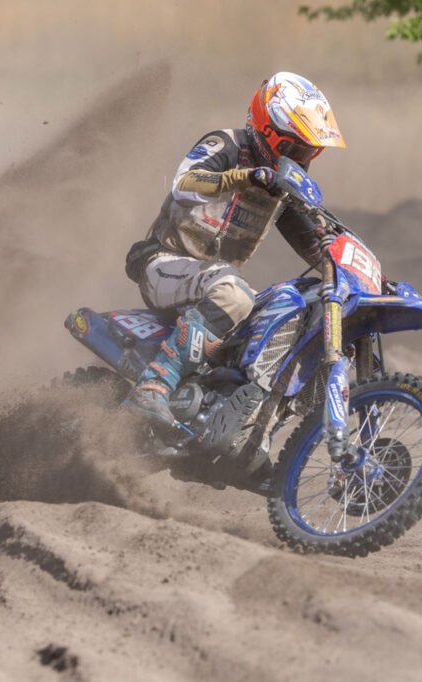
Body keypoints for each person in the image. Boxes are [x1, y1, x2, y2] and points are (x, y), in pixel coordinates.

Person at [122, 71, 345, 430]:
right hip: (162, 263)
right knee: (234, 292)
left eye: (310, 151)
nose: (302, 159)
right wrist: (244, 176)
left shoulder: (280, 188)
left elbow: (311, 238)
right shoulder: (226, 145)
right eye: (296, 148)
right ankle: (153, 386)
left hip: (209, 281)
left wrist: (350, 266)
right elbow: (184, 184)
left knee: (281, 315)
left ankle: (238, 430)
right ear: (268, 132)